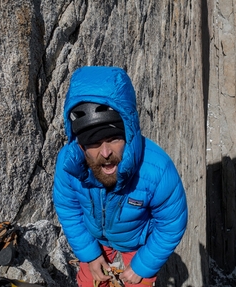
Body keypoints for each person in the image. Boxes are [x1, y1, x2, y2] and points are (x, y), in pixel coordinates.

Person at [53, 66, 188, 287]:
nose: (105, 153)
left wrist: (142, 266)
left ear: (129, 132)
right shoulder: (70, 164)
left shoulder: (156, 170)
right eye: (94, 142)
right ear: (80, 144)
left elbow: (171, 223)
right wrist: (90, 254)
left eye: (114, 139)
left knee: (139, 282)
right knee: (90, 281)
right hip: (95, 238)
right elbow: (68, 208)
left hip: (137, 240)